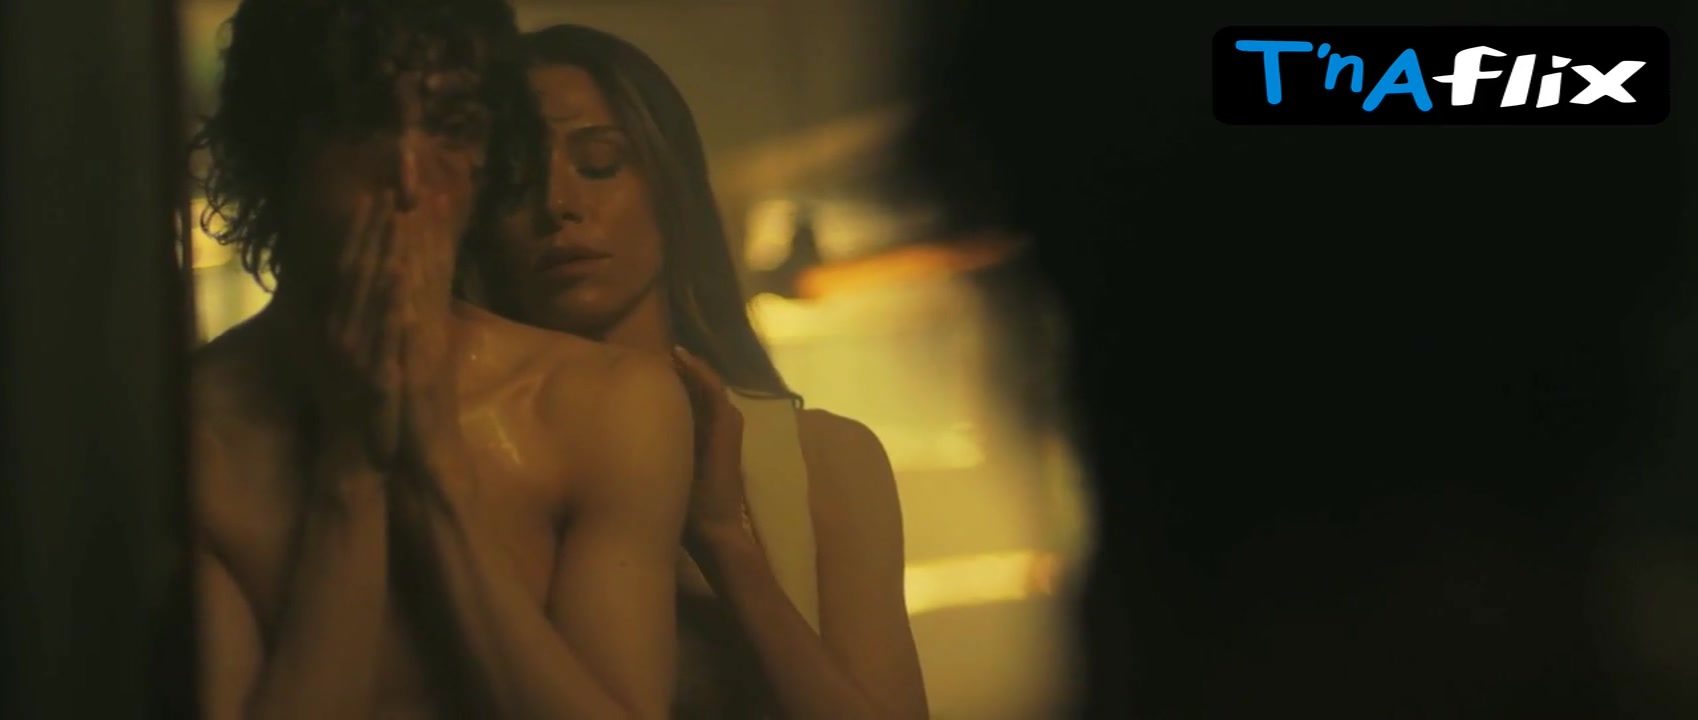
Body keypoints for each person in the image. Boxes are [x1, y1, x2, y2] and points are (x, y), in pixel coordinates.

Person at [187, 2, 694, 718]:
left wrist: (434, 471)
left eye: (452, 128)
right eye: (364, 123)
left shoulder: (598, 404)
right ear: (280, 147)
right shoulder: (192, 435)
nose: (409, 175)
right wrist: (352, 472)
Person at [460, 24, 930, 720]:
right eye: (514, 181)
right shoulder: (471, 452)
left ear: (669, 184)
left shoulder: (822, 462)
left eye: (600, 162)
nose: (558, 203)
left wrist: (726, 543)